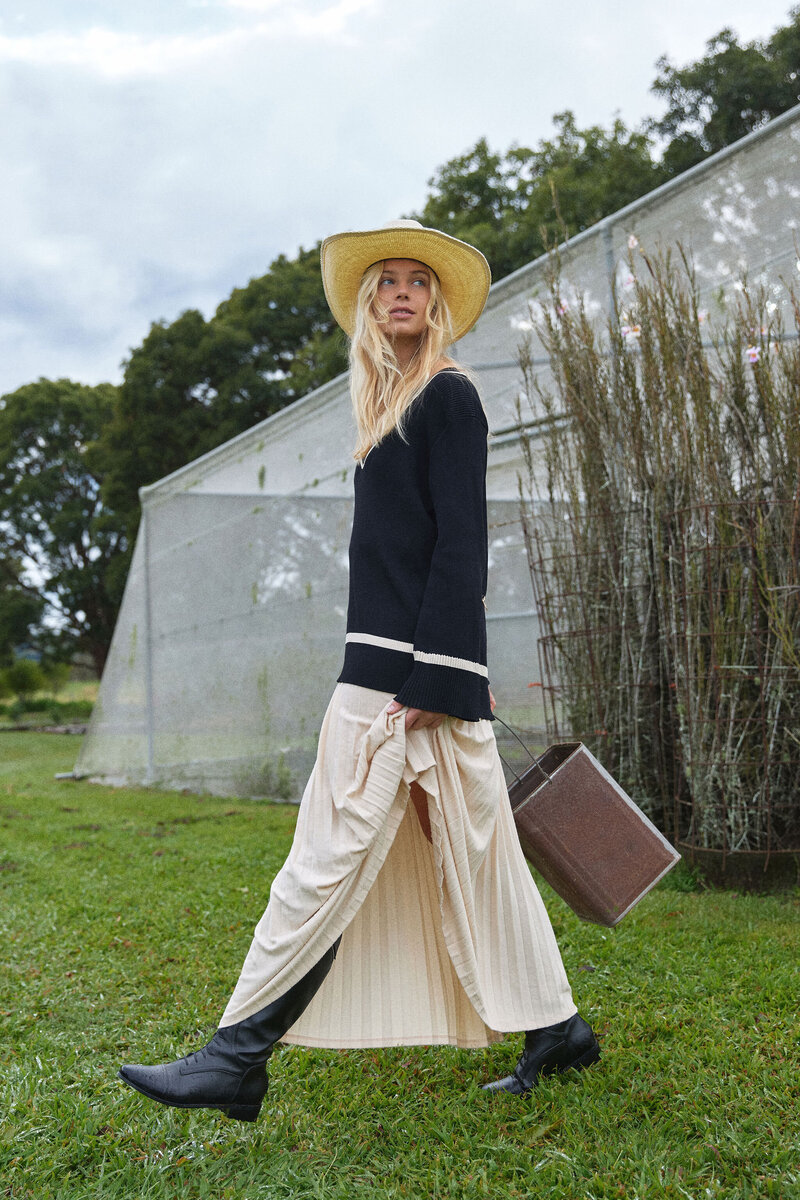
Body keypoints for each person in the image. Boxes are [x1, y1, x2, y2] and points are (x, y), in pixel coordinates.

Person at [118, 219, 599, 1122]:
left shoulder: (449, 397)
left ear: (438, 302)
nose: (404, 293)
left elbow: (461, 547)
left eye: (420, 280)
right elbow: (405, 559)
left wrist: (438, 677)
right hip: (397, 667)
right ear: (372, 304)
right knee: (478, 856)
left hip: (404, 680)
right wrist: (445, 674)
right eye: (388, 282)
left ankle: (236, 1058)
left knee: (325, 858)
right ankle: (561, 1030)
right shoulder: (385, 412)